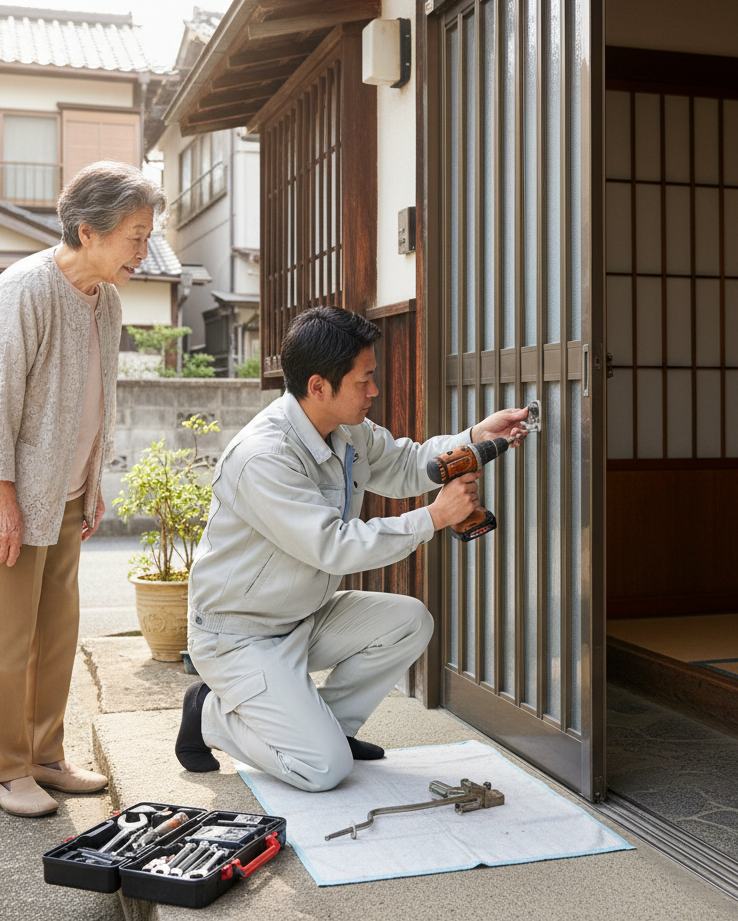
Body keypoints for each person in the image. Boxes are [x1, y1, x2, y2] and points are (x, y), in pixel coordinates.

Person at [176, 305, 527, 792]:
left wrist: (474, 436)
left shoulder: (346, 429)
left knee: (409, 621)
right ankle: (211, 713)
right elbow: (334, 547)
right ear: (319, 386)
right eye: (364, 380)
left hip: (302, 615)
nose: (374, 391)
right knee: (323, 771)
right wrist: (433, 517)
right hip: (239, 635)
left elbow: (407, 463)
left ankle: (332, 731)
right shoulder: (263, 457)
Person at [0, 161, 166, 817]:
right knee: (5, 640)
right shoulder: (24, 290)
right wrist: (0, 504)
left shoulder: (109, 300)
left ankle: (44, 755)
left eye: (147, 237)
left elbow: (100, 399)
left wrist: (91, 486)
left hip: (63, 493)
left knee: (55, 632)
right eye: (134, 237)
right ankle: (5, 771)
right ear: (87, 232)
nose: (142, 253)